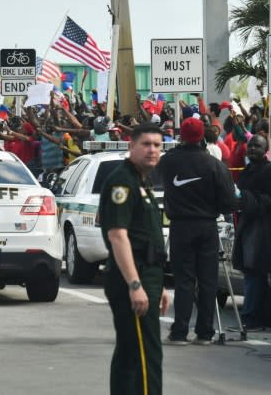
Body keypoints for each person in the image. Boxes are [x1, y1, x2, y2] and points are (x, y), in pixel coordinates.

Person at [99, 123, 171, 395]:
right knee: (145, 356)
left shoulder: (141, 181)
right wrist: (135, 285)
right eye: (146, 144)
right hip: (133, 277)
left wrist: (159, 285)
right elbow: (118, 236)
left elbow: (146, 239)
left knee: (131, 354)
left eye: (157, 145)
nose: (152, 150)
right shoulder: (124, 182)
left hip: (146, 274)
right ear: (131, 146)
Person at [158, 117, 235, 345]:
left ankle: (180, 331)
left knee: (184, 280)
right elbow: (229, 201)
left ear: (181, 135)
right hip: (207, 226)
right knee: (208, 280)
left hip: (181, 226)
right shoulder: (214, 165)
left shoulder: (168, 161)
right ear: (203, 135)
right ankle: (204, 332)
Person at [230, 135, 271, 332]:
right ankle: (250, 316)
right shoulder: (248, 170)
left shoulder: (270, 171)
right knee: (250, 271)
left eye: (258, 146)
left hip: (264, 227)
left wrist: (253, 202)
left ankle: (251, 318)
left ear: (266, 149)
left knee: (254, 271)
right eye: (251, 145)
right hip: (248, 223)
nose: (253, 148)